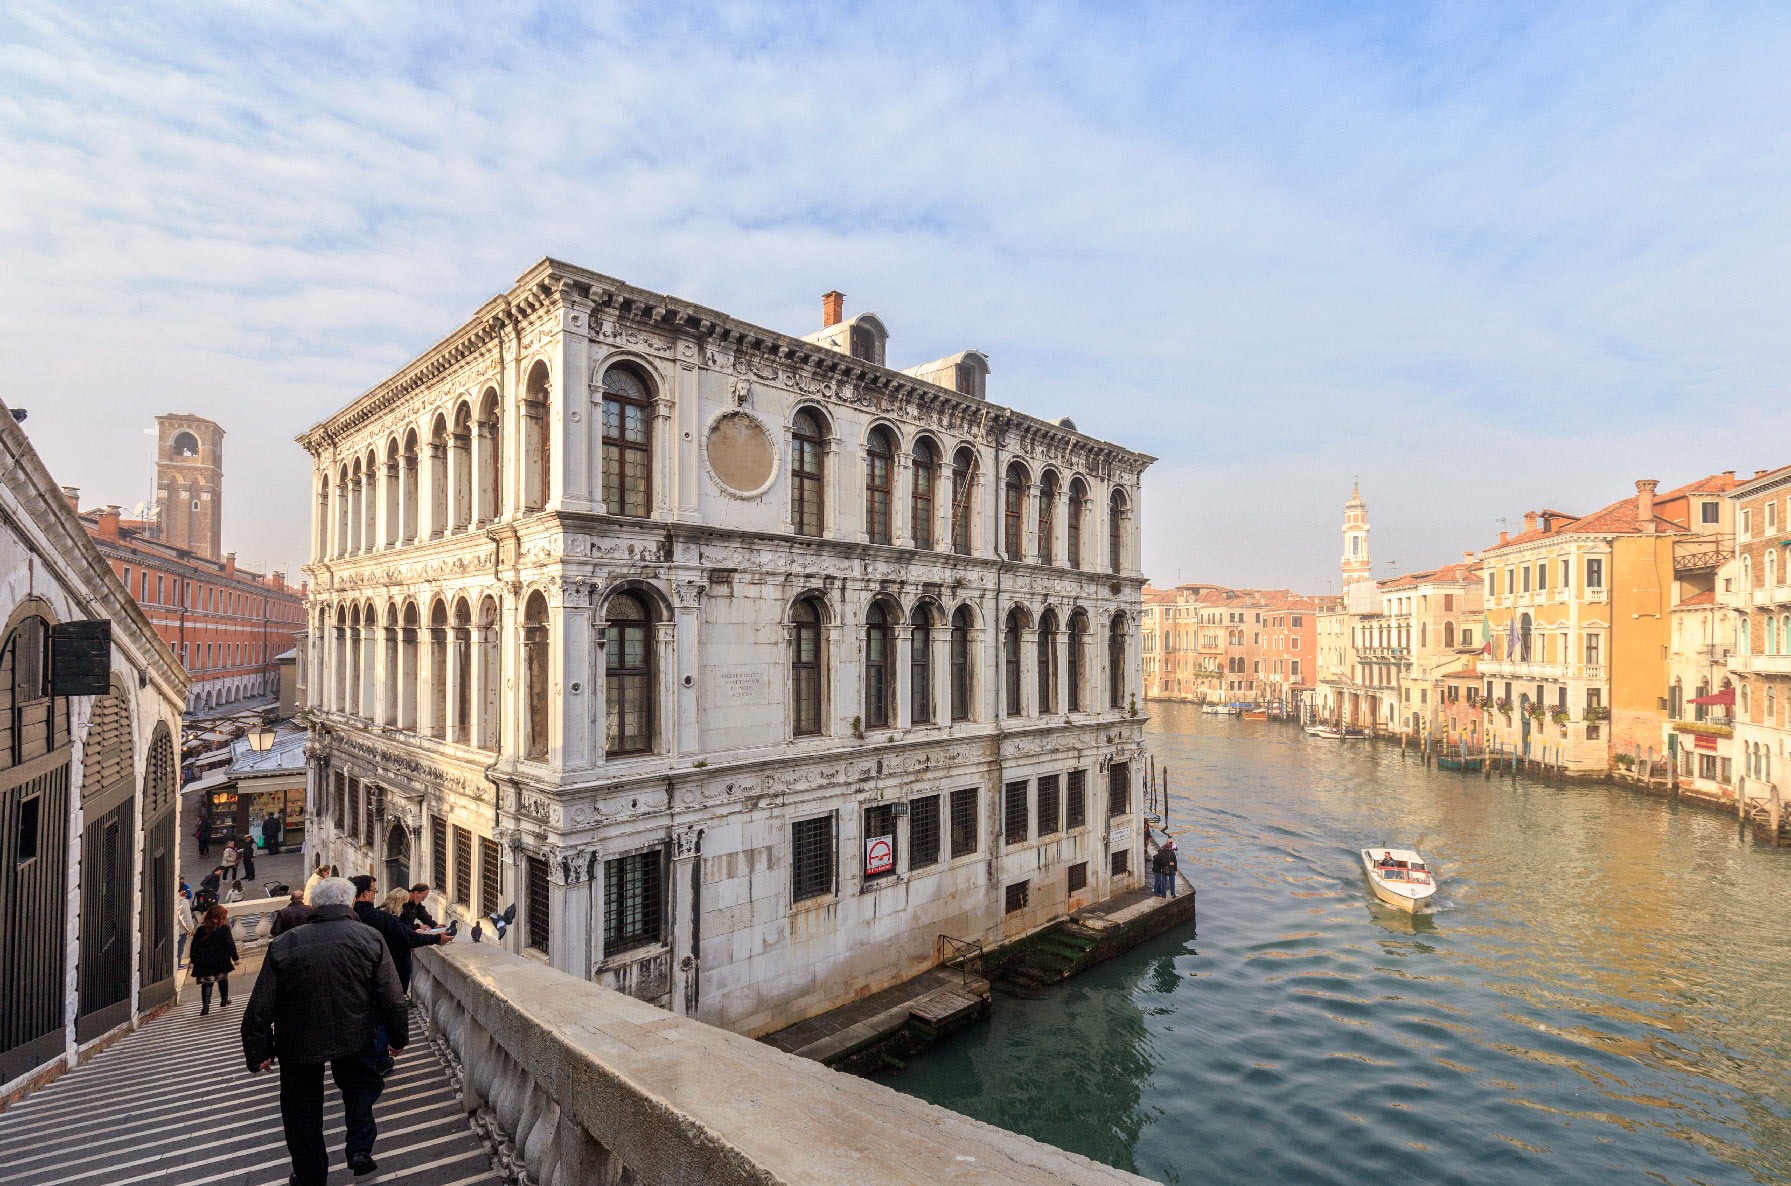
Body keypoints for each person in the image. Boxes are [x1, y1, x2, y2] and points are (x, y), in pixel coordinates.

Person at [242, 877, 410, 1184]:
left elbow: (259, 1006)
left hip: (297, 1040)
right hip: (355, 1032)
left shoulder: (284, 944)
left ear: (314, 905)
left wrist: (260, 1051)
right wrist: (398, 1038)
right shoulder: (369, 937)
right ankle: (359, 1148)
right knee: (360, 1087)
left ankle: (310, 1174)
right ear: (348, 902)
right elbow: (392, 996)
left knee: (301, 1110)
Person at [350, 874, 450, 995]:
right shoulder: (383, 918)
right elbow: (407, 936)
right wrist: (437, 938)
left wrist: (432, 926)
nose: (374, 894)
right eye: (374, 891)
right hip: (383, 970)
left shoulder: (348, 915)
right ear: (365, 893)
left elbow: (417, 920)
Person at [189, 904, 238, 1014]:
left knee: (207, 983)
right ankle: (224, 1000)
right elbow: (230, 944)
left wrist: (193, 960)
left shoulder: (201, 929)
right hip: (221, 960)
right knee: (222, 979)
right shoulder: (224, 929)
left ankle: (205, 1007)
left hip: (204, 961)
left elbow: (194, 946)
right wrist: (235, 958)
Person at [177, 886, 196, 968]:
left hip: (177, 928)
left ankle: (177, 963)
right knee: (180, 948)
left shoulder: (176, 900)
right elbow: (186, 918)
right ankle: (178, 964)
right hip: (181, 929)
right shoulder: (184, 902)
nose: (187, 893)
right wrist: (191, 929)